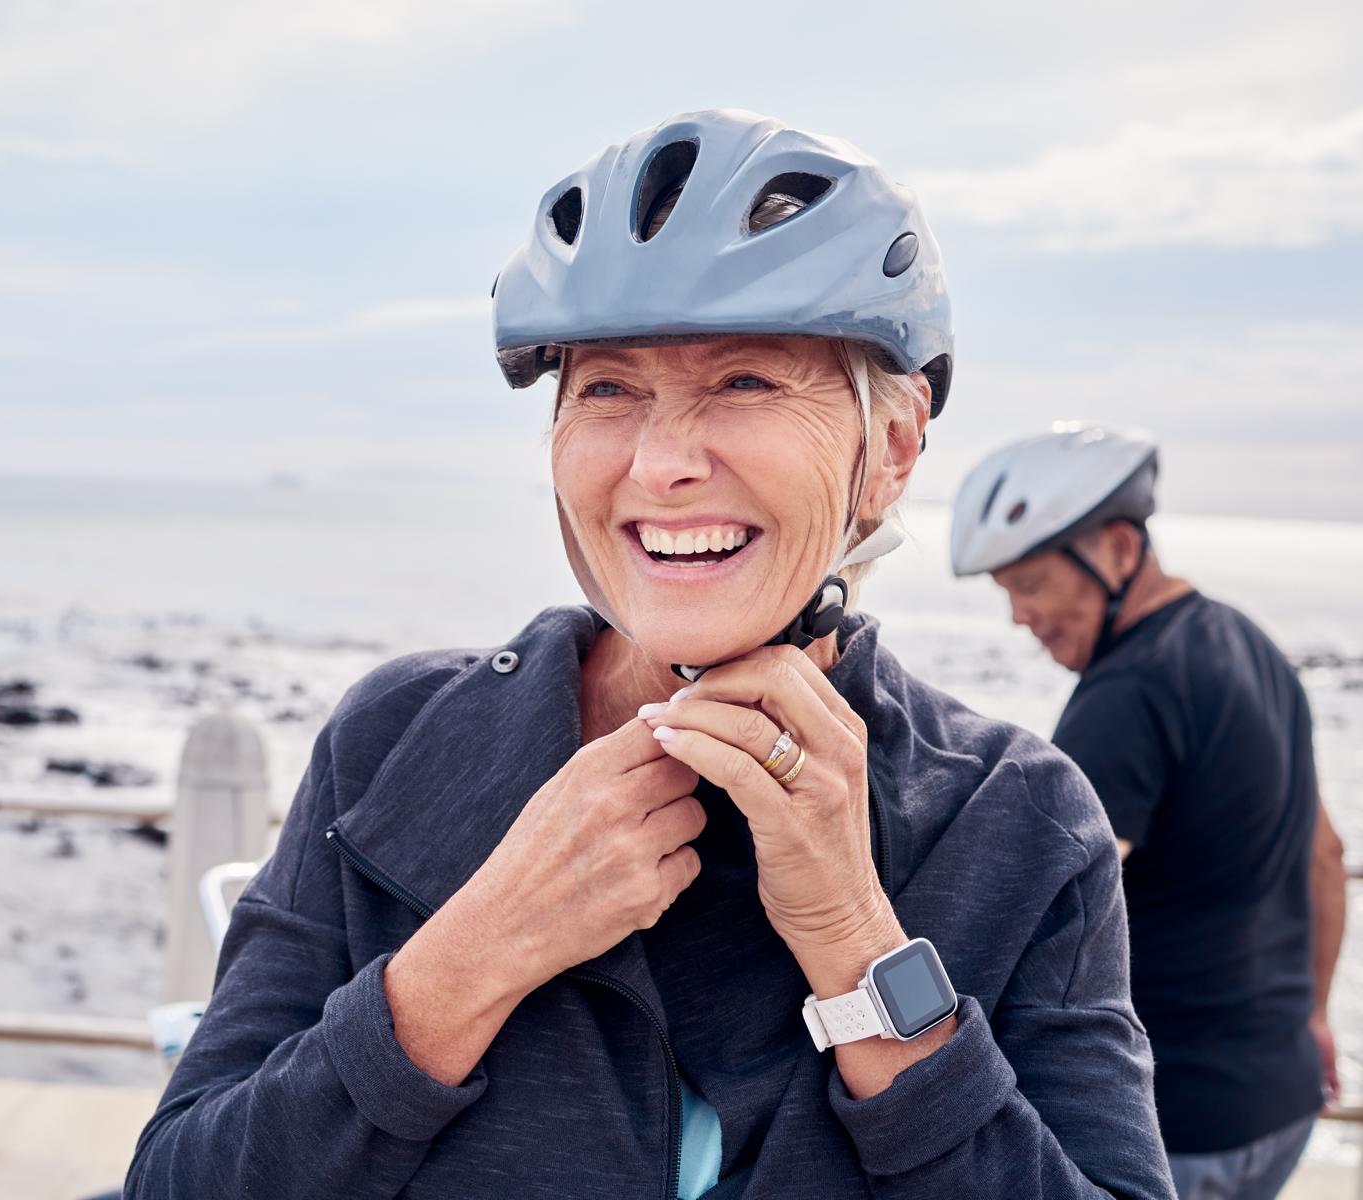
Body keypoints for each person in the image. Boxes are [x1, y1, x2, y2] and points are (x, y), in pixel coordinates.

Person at [124, 109, 1174, 1199]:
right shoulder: (396, 740)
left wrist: (854, 940)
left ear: (891, 450)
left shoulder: (1015, 819)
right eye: (608, 391)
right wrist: (476, 949)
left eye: (746, 383)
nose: (662, 463)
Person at [951, 423, 1346, 1200]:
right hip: (1282, 1101)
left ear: (1119, 552)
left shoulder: (1123, 699)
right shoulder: (1248, 642)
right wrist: (1317, 1017)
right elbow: (1323, 855)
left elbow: (1028, 910)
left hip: (1180, 1125)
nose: (1018, 618)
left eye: (1029, 583)